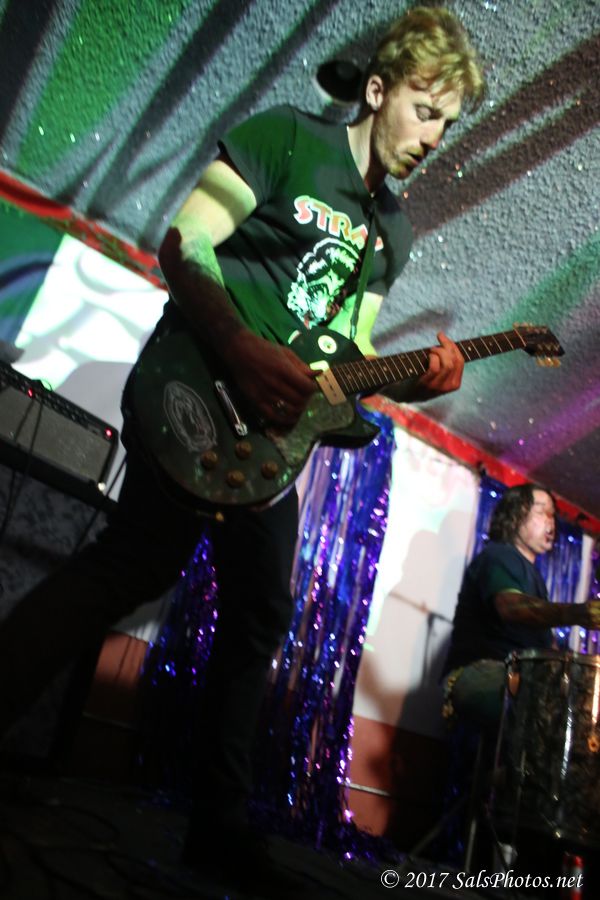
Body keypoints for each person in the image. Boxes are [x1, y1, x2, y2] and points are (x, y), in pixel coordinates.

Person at [0, 6, 485, 892]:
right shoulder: (287, 139)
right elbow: (186, 241)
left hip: (267, 447)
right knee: (133, 565)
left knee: (261, 610)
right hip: (196, 383)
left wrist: (410, 382)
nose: (433, 135)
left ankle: (218, 829)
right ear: (379, 90)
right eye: (426, 109)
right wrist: (239, 346)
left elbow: (345, 354)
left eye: (448, 123)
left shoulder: (394, 235)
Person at [442, 483, 600, 735]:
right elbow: (510, 607)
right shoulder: (499, 556)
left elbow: (546, 647)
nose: (551, 521)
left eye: (553, 515)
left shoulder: (536, 580)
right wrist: (576, 613)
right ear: (515, 515)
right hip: (480, 671)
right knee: (548, 704)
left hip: (519, 673)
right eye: (541, 511)